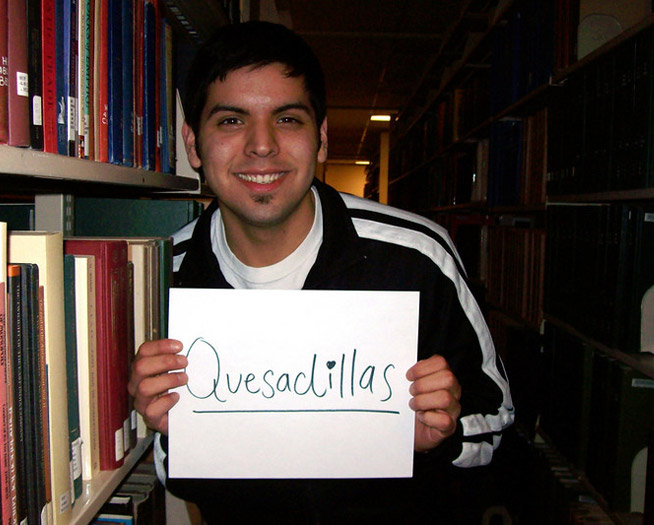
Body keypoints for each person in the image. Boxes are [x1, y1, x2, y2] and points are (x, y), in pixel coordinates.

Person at [129, 20, 514, 523]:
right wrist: (165, 431)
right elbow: (175, 474)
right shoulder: (162, 276)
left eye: (287, 119)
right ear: (194, 143)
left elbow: (497, 421)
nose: (261, 145)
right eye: (230, 121)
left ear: (322, 138)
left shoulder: (417, 257)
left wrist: (444, 435)